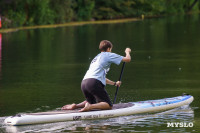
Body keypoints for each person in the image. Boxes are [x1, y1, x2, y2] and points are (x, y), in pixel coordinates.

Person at [62, 40, 131, 112]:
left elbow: (100, 78)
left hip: (84, 83)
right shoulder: (108, 55)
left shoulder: (96, 58)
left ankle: (76, 106)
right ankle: (90, 106)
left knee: (91, 101)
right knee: (109, 105)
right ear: (108, 49)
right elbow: (128, 59)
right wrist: (127, 52)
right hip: (93, 82)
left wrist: (114, 83)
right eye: (111, 49)